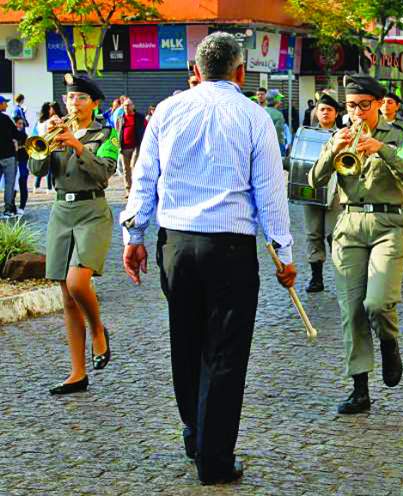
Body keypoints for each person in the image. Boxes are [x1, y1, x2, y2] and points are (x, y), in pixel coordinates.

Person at [120, 32, 295, 485]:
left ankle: (195, 431)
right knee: (226, 352)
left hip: (176, 244)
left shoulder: (167, 112)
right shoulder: (255, 117)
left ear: (195, 71)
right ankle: (214, 459)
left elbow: (143, 178)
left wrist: (134, 234)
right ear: (241, 72)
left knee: (186, 339)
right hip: (229, 249)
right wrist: (284, 252)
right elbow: (270, 192)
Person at [309, 74, 403, 415]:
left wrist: (382, 150)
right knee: (351, 309)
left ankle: (389, 341)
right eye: (351, 106)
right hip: (349, 225)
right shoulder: (340, 135)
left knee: (378, 302)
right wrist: (333, 150)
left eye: (363, 106)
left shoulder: (400, 135)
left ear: (379, 104)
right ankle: (360, 388)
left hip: (389, 224)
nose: (356, 113)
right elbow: (313, 180)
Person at [28, 74, 118, 395]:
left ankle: (98, 331)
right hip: (60, 213)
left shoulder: (106, 134)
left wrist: (79, 145)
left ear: (94, 103)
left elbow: (104, 173)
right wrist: (43, 139)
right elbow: (37, 171)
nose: (73, 104)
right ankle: (77, 373)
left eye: (80, 98)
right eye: (70, 98)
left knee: (78, 282)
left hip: (92, 212)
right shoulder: (54, 131)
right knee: (66, 296)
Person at [301, 92, 343, 293]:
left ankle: (342, 275)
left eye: (329, 110)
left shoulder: (342, 135)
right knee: (313, 233)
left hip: (335, 191)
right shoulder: (305, 133)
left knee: (334, 233)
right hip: (311, 190)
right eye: (322, 109)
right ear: (316, 112)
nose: (325, 113)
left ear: (336, 114)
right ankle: (316, 278)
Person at [114, 98, 146, 193]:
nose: (126, 107)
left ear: (133, 106)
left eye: (128, 105)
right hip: (124, 147)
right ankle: (128, 190)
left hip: (136, 146)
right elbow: (117, 131)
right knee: (125, 169)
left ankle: (137, 188)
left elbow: (146, 127)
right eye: (124, 106)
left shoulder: (139, 117)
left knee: (134, 166)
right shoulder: (120, 118)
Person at [0, 96, 19, 217]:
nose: (6, 105)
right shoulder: (6, 119)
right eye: (5, 103)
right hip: (8, 156)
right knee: (9, 184)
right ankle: (8, 209)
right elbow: (17, 134)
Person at [13, 117, 29, 214]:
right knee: (12, 185)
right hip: (13, 162)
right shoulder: (9, 135)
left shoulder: (24, 136)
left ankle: (22, 207)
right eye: (18, 123)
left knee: (23, 182)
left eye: (21, 124)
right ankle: (12, 206)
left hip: (23, 161)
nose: (20, 126)